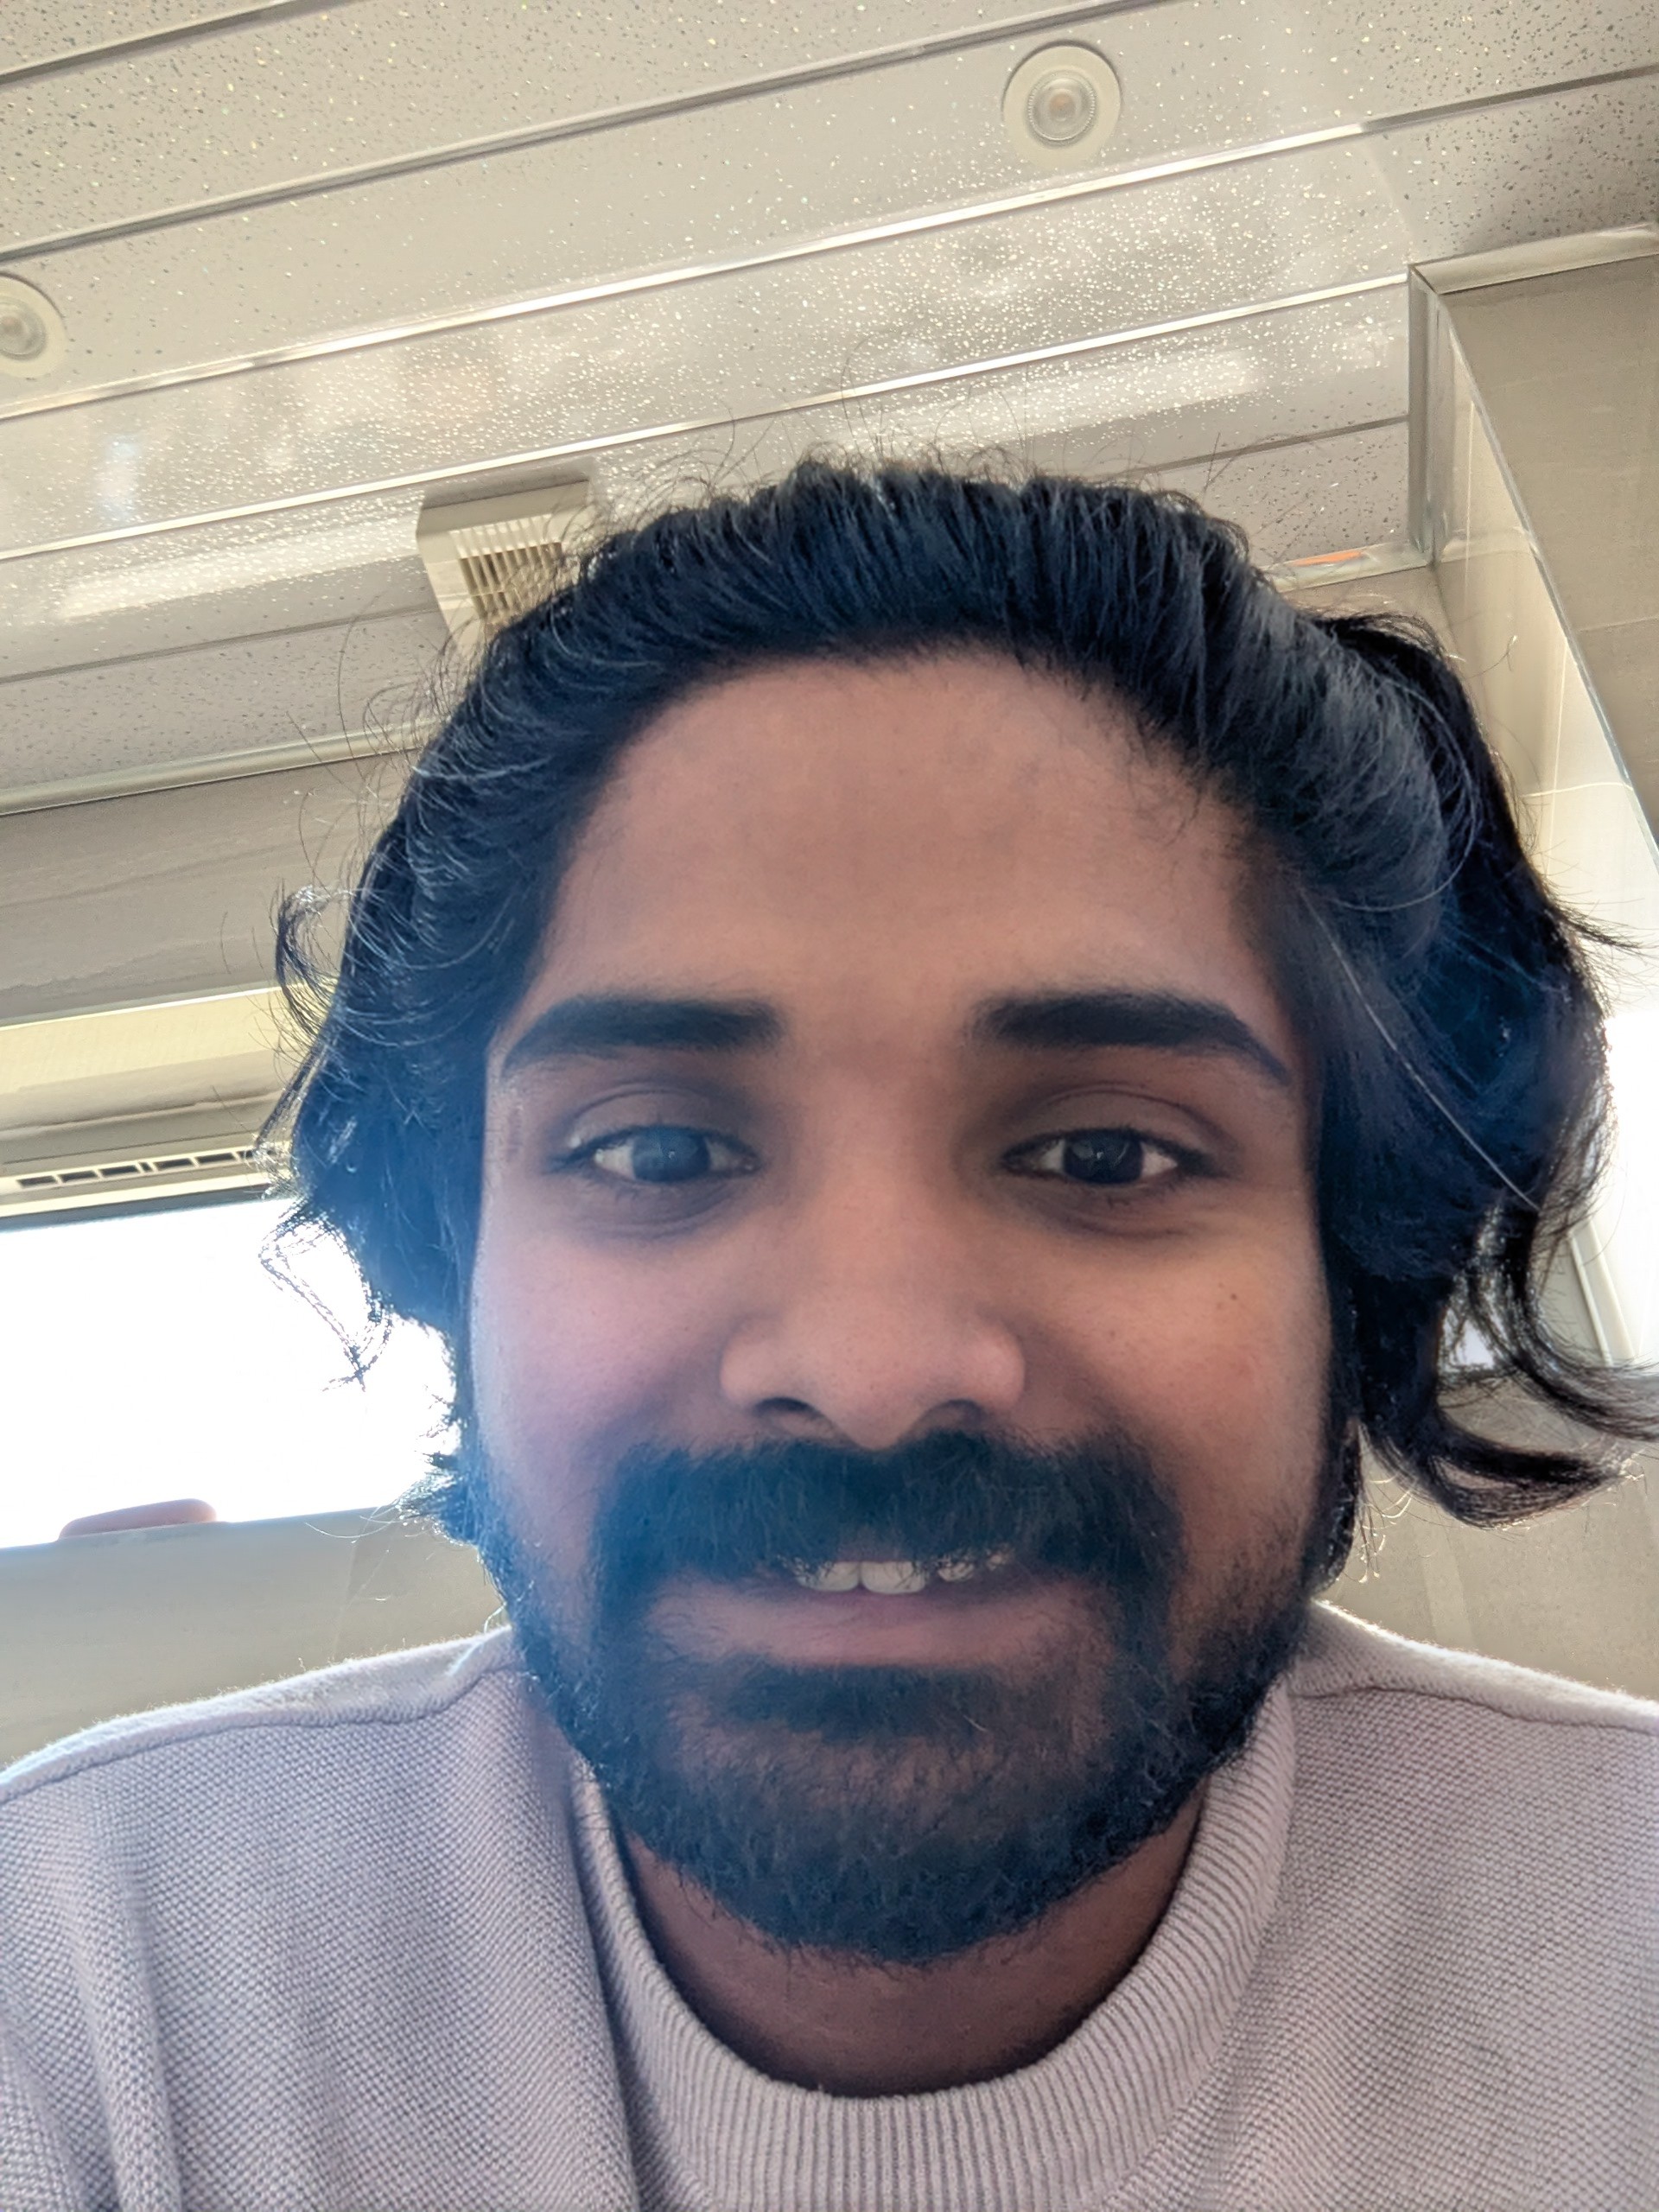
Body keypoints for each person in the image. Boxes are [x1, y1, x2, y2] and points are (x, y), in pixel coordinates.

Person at [3, 461, 1656, 2211]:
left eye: (1108, 1155)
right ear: (452, 1259)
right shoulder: (83, 1994)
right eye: (656, 1152)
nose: (870, 1375)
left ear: (1358, 1265)